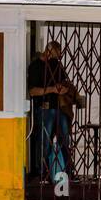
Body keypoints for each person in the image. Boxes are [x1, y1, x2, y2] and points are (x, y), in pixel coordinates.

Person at [27, 40, 74, 179]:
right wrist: (52, 89)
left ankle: (65, 172)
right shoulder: (35, 66)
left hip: (59, 108)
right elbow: (32, 91)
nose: (59, 54)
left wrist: (63, 88)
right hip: (44, 108)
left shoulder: (56, 64)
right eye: (57, 51)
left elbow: (64, 81)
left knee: (65, 140)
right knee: (44, 142)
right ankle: (43, 173)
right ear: (49, 49)